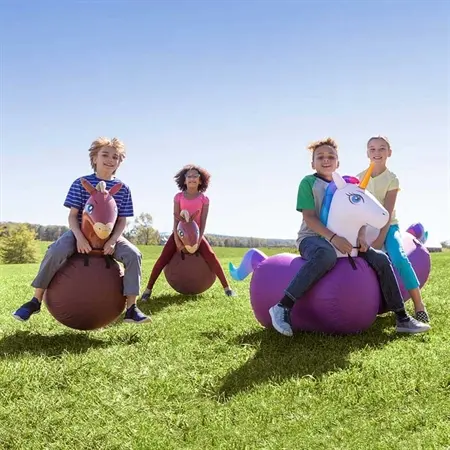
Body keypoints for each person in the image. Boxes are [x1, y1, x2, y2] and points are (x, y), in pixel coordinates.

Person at [269, 137, 431, 337]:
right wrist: (333, 238)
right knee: (326, 255)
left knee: (380, 258)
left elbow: (358, 215)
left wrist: (362, 236)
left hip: (346, 238)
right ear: (313, 163)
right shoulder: (308, 183)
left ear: (338, 162)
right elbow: (309, 218)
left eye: (331, 156)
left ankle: (402, 318)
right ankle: (283, 306)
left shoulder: (344, 185)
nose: (326, 160)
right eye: (320, 157)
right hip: (312, 238)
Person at [12, 137, 151, 324]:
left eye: (115, 157)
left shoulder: (123, 189)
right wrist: (79, 238)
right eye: (105, 155)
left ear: (120, 161)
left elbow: (122, 220)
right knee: (55, 251)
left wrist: (112, 241)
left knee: (134, 254)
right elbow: (72, 216)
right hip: (80, 232)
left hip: (110, 235)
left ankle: (132, 308)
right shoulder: (81, 183)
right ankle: (35, 300)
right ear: (94, 158)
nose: (110, 159)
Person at [356, 136, 429, 323]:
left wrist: (380, 239)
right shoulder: (358, 178)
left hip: (388, 226)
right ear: (367, 153)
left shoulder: (392, 179)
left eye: (381, 149)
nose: (377, 153)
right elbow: (357, 211)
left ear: (389, 152)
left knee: (399, 258)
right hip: (365, 228)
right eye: (372, 149)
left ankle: (419, 306)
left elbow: (386, 213)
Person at [140, 164, 236, 301]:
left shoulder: (204, 199)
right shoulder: (178, 197)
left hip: (196, 236)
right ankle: (148, 290)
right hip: (178, 234)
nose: (192, 178)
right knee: (163, 259)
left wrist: (198, 240)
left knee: (211, 256)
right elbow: (175, 220)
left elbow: (203, 222)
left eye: (195, 176)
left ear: (200, 180)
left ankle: (228, 289)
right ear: (184, 180)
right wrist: (177, 240)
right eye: (189, 176)